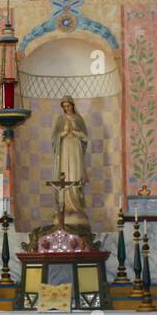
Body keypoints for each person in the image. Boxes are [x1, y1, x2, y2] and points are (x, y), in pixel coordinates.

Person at [50, 97, 90, 226]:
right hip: (64, 150)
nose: (67, 108)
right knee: (64, 177)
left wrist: (76, 132)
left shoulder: (79, 119)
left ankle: (76, 207)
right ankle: (65, 207)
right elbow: (54, 139)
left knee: (75, 176)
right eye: (65, 106)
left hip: (75, 150)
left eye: (69, 106)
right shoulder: (60, 119)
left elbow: (85, 138)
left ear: (73, 105)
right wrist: (63, 133)